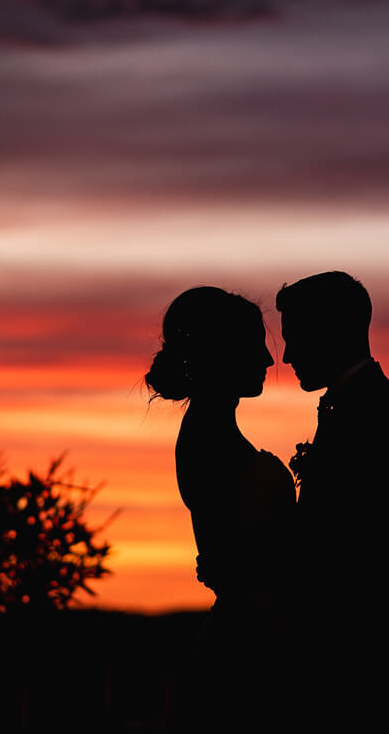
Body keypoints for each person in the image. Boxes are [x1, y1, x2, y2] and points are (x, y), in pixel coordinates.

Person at [276, 271, 389, 718]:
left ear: (333, 331)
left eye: (296, 338)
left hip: (370, 658)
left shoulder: (372, 414)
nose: (286, 356)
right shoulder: (356, 405)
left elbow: (352, 549)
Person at [144, 286, 296, 723]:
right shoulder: (211, 443)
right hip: (253, 651)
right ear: (222, 352)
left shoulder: (209, 434)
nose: (269, 361)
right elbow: (257, 567)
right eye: (255, 346)